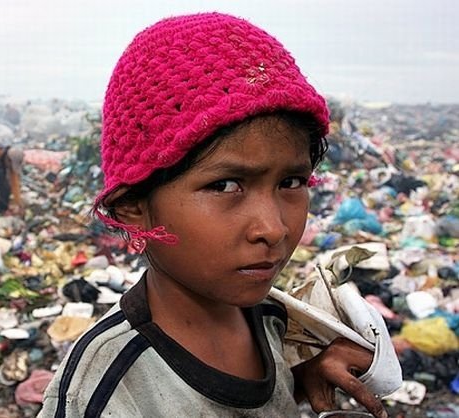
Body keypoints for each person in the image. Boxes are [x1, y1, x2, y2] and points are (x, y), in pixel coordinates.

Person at [40, 13, 387, 418]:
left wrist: (301, 377)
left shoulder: (274, 319)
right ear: (132, 206)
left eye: (291, 182)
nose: (273, 228)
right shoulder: (104, 393)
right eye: (225, 186)